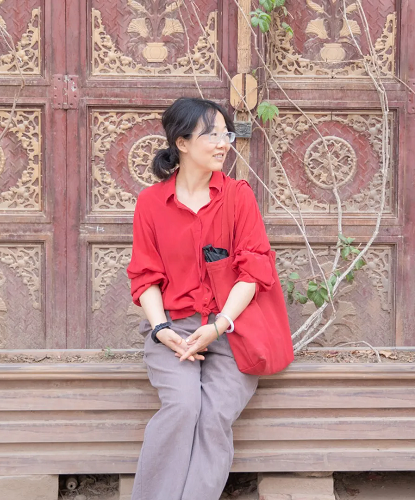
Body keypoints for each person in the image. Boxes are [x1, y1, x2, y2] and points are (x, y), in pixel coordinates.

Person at [127, 97, 276, 500]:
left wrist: (219, 325)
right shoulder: (151, 203)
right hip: (174, 329)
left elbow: (253, 271)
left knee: (213, 416)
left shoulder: (238, 197)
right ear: (182, 142)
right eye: (211, 135)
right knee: (182, 407)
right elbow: (145, 276)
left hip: (232, 330)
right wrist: (160, 329)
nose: (223, 143)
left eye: (226, 134)